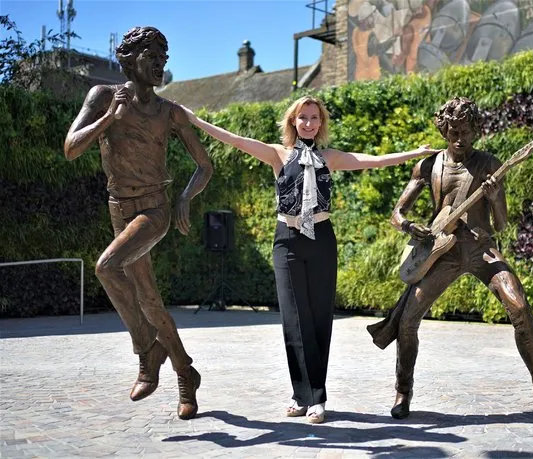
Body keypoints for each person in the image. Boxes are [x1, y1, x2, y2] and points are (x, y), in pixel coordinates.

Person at [182, 95, 436, 424]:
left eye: (315, 117)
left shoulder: (328, 157)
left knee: (318, 320)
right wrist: (196, 121)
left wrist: (414, 154)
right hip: (286, 241)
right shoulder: (278, 154)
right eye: (303, 117)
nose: (309, 123)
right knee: (293, 319)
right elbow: (234, 139)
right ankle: (299, 394)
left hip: (321, 241)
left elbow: (371, 160)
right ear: (293, 121)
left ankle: (316, 398)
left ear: (321, 123)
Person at [366, 96, 533, 433]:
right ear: (444, 129)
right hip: (442, 251)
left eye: (466, 132)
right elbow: (396, 213)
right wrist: (410, 226)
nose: (460, 138)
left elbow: (501, 224)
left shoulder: (489, 163)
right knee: (407, 319)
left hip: (482, 250)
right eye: (453, 131)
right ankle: (403, 391)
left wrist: (494, 196)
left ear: (477, 130)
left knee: (520, 308)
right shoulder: (428, 166)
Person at [64, 26, 213, 420]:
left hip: (153, 209)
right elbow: (71, 147)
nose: (161, 64)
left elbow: (205, 166)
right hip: (119, 207)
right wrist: (108, 120)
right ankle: (185, 371)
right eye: (153, 58)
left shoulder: (170, 112)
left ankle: (147, 350)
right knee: (148, 299)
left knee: (106, 267)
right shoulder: (102, 98)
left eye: (164, 59)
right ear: (130, 61)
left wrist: (183, 198)